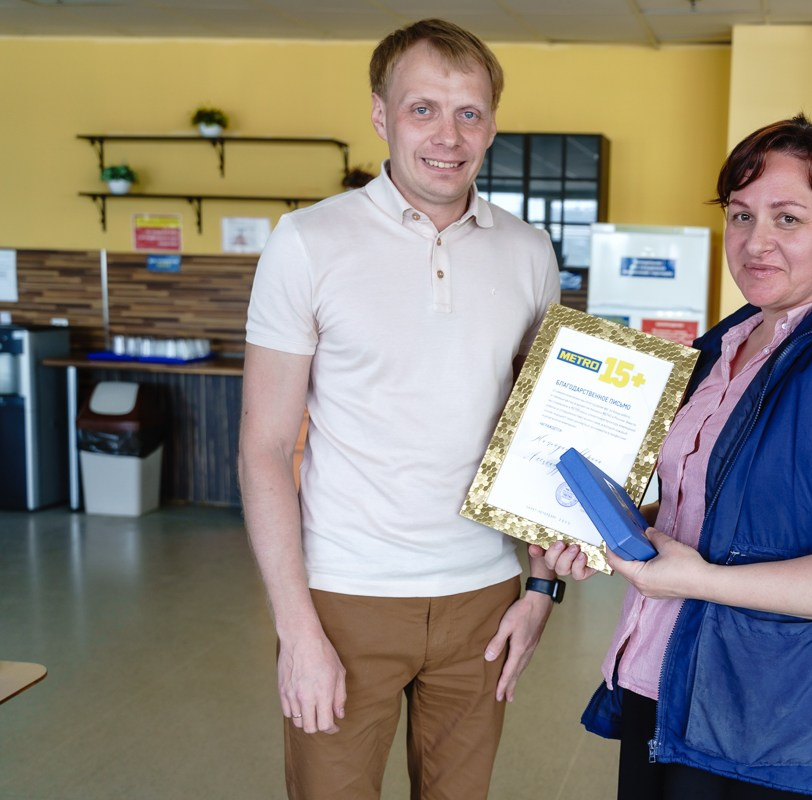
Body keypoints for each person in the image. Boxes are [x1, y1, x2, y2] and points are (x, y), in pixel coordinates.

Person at [538, 114, 812, 800]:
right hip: (670, 683)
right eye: (741, 215)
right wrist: (609, 526)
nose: (756, 242)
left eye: (788, 219)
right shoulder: (726, 344)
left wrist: (697, 580)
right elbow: (709, 505)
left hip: (774, 722)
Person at [238, 18, 565, 800]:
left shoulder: (529, 252)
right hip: (345, 597)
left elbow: (546, 440)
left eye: (470, 113)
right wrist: (298, 631)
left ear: (491, 124)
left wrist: (542, 591)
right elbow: (264, 445)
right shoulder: (308, 242)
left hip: (483, 599)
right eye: (423, 109)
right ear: (382, 115)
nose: (448, 136)